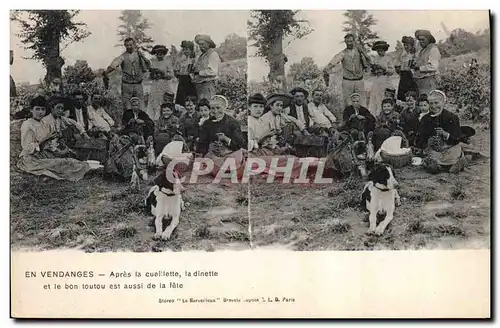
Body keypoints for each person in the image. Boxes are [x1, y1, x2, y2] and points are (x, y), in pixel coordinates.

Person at [17, 96, 92, 181]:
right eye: (37, 109)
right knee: (61, 164)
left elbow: (48, 144)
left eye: (43, 109)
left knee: (69, 161)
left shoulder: (42, 123)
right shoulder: (27, 124)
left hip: (43, 155)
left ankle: (87, 167)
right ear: (31, 110)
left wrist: (55, 147)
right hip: (30, 159)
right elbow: (27, 148)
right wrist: (46, 139)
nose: (40, 112)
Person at [416, 90, 467, 174]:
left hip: (449, 147)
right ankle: (443, 166)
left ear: (443, 102)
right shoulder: (425, 119)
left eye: (436, 103)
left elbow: (457, 138)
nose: (434, 106)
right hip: (433, 150)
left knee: (453, 153)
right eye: (431, 103)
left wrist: (446, 134)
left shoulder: (452, 117)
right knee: (432, 160)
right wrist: (428, 141)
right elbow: (419, 139)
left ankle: (457, 163)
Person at [324, 34, 371, 108]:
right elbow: (335, 60)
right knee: (348, 102)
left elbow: (369, 60)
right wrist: (327, 68)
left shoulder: (359, 51)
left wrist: (362, 51)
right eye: (347, 42)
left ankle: (363, 118)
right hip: (347, 81)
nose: (349, 43)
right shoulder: (343, 53)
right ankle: (349, 118)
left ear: (354, 41)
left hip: (359, 80)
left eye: (351, 41)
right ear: (345, 42)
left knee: (362, 101)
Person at [106, 38, 151, 110]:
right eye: (127, 45)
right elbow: (114, 64)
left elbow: (148, 65)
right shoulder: (122, 56)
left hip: (138, 84)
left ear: (134, 44)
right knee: (127, 106)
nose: (129, 47)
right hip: (127, 85)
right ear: (125, 45)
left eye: (131, 45)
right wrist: (107, 72)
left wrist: (142, 56)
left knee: (141, 105)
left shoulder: (139, 55)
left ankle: (142, 120)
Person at [146, 45, 174, 121]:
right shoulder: (153, 62)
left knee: (162, 102)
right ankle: (152, 119)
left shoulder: (167, 62)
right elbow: (148, 76)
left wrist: (163, 73)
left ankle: (162, 119)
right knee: (153, 102)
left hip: (164, 83)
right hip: (155, 83)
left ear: (164, 53)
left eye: (161, 52)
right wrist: (152, 74)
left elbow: (171, 75)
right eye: (158, 52)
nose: (159, 54)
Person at [368, 41, 395, 116]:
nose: (380, 52)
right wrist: (374, 70)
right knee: (374, 98)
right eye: (378, 50)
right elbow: (371, 71)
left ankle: (383, 115)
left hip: (385, 79)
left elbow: (392, 71)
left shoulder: (388, 58)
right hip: (377, 80)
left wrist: (384, 69)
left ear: (385, 50)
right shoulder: (375, 58)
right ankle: (374, 116)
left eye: (381, 50)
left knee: (383, 98)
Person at [192, 35, 221, 101]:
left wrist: (199, 72)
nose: (201, 47)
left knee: (207, 105)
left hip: (207, 85)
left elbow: (213, 71)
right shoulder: (202, 56)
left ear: (208, 44)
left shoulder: (213, 54)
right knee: (201, 106)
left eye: (203, 44)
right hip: (200, 85)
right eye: (199, 45)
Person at [413, 30, 441, 96]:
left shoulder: (433, 49)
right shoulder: (423, 50)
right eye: (419, 40)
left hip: (430, 80)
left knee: (429, 99)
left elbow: (433, 66)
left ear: (428, 39)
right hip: (422, 80)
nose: (421, 42)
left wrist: (419, 68)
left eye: (423, 39)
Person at [396, 36, 419, 101]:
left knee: (412, 93)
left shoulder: (415, 54)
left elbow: (417, 65)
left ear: (411, 45)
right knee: (402, 95)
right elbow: (397, 65)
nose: (405, 46)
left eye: (407, 45)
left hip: (412, 76)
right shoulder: (402, 54)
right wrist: (399, 69)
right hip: (403, 76)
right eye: (404, 45)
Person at [174, 41, 197, 106]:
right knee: (181, 98)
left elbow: (193, 71)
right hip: (182, 80)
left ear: (191, 49)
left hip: (190, 81)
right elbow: (176, 70)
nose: (185, 51)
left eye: (187, 49)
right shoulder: (181, 59)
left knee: (190, 99)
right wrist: (178, 74)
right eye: (184, 49)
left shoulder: (194, 59)